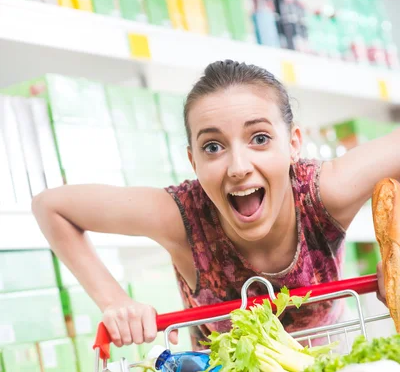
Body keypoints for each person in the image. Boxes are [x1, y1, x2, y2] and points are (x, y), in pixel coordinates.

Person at [32, 60, 391, 350]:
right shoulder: (183, 217)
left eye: (260, 138)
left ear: (294, 143)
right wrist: (115, 302)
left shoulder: (322, 195)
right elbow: (51, 206)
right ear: (193, 161)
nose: (238, 167)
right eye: (213, 147)